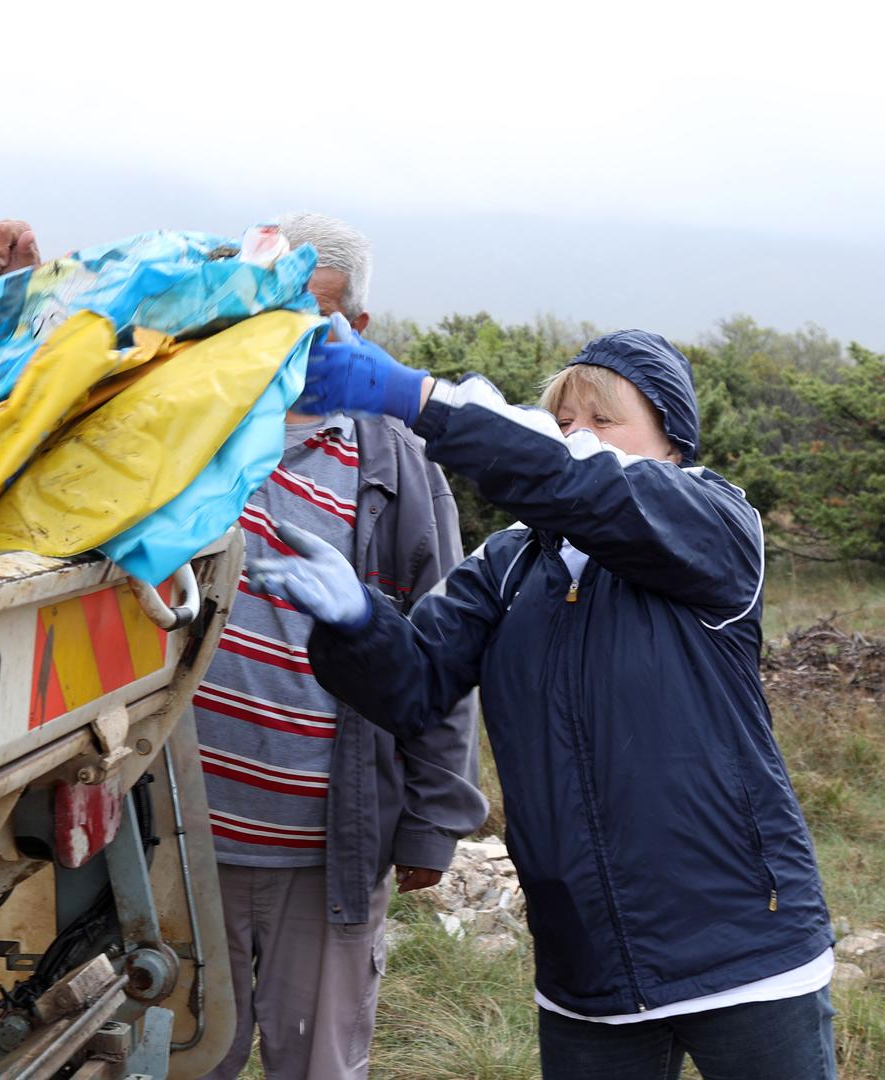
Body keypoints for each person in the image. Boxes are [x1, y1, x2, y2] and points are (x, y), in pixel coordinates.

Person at [247, 327, 836, 1080]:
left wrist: (420, 400)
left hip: (747, 952)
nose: (579, 438)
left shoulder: (714, 525)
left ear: (673, 438)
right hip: (586, 965)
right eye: (563, 423)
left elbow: (585, 485)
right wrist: (357, 623)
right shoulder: (510, 562)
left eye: (604, 419)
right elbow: (414, 686)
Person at [196, 212, 487, 1080]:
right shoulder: (193, 438)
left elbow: (446, 655)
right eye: (270, 307)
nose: (289, 333)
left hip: (328, 843)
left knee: (318, 1062)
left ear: (355, 329)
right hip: (183, 833)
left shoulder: (396, 469)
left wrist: (433, 823)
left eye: (315, 313)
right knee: (175, 1054)